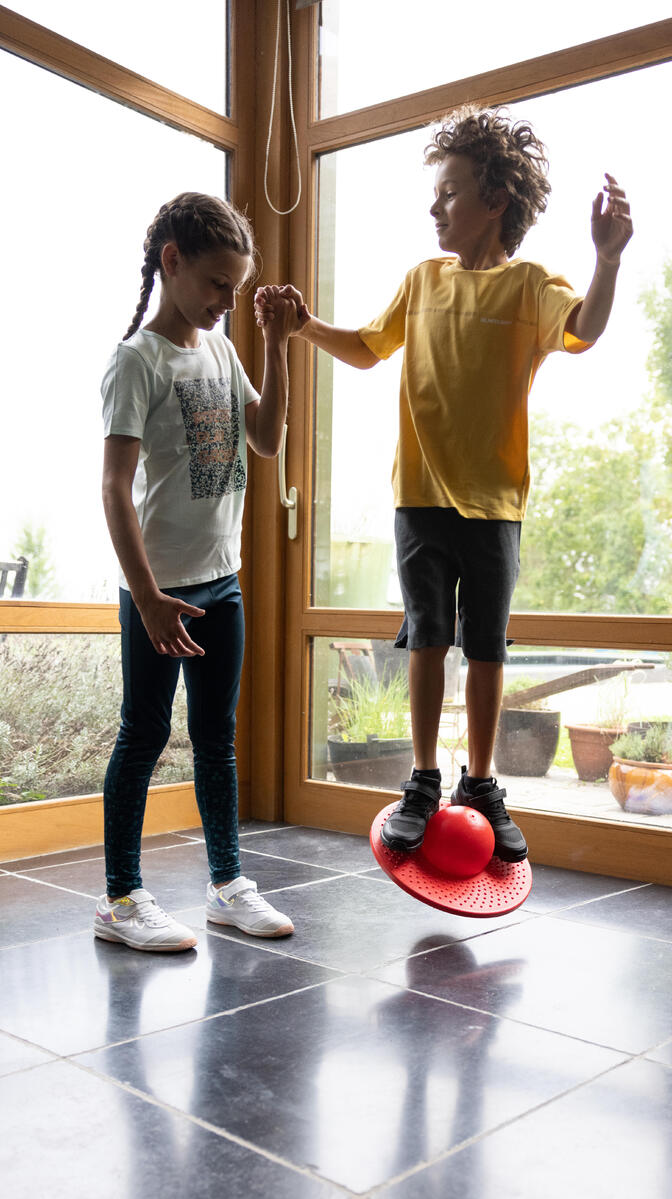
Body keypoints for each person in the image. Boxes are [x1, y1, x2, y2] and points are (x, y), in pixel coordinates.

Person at [258, 105, 633, 865]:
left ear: (496, 201)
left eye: (452, 192)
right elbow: (367, 346)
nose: (436, 207)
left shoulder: (531, 286)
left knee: (486, 648)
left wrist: (609, 259)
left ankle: (483, 783)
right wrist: (302, 326)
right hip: (420, 498)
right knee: (428, 638)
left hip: (495, 503)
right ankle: (424, 779)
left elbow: (584, 329)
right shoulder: (421, 280)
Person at [96, 192, 307, 952]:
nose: (228, 300)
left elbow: (268, 439)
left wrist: (276, 343)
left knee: (216, 738)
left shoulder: (222, 349)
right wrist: (148, 596)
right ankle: (121, 898)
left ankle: (227, 884)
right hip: (160, 592)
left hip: (223, 580)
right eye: (219, 283)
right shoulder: (137, 361)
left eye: (238, 287)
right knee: (145, 734)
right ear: (172, 262)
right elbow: (115, 486)